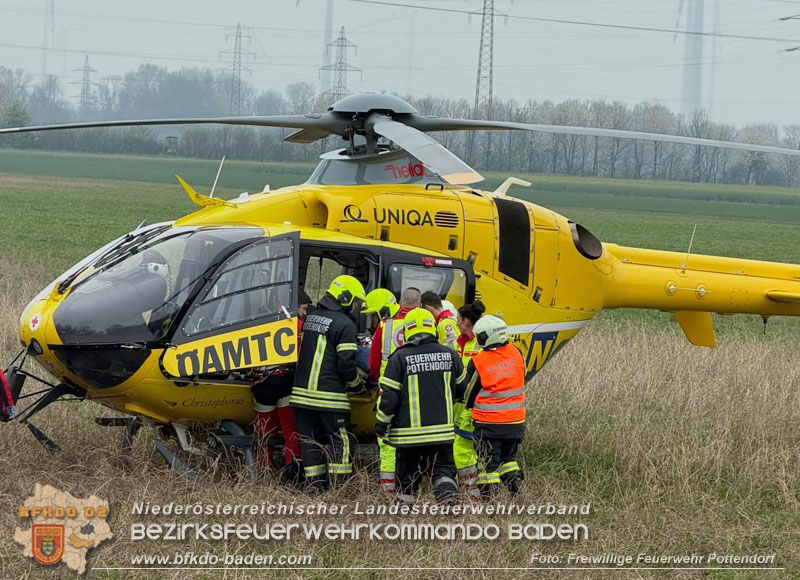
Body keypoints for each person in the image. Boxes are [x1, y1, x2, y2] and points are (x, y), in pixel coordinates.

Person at [375, 308, 466, 505]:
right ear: (432, 327)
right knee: (443, 470)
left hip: (408, 436)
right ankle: (448, 503)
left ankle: (405, 511)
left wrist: (381, 424)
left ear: (407, 330)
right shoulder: (449, 354)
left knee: (407, 475)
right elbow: (463, 390)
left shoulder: (399, 358)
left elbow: (389, 398)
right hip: (442, 433)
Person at [290, 275, 367, 489]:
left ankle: (314, 488)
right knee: (340, 442)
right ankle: (338, 489)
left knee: (310, 443)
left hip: (301, 397)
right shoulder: (345, 324)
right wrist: (357, 386)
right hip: (329, 398)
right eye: (355, 302)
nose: (356, 307)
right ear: (345, 298)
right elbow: (346, 364)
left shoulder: (310, 318)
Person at [252, 290, 313, 482]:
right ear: (295, 307)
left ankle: (263, 469)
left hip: (262, 383)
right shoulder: (298, 326)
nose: (305, 313)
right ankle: (293, 470)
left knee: (264, 430)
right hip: (286, 381)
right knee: (290, 429)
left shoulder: (262, 323)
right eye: (304, 308)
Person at [463, 315, 526, 496]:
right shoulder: (517, 352)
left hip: (489, 424)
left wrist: (465, 407)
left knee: (487, 464)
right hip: (516, 423)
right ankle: (516, 489)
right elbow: (521, 377)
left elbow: (468, 392)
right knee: (508, 459)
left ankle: (490, 501)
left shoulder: (479, 361)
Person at [367, 286, 420, 495]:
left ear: (401, 302)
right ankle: (412, 486)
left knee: (387, 444)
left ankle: (388, 490)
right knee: (414, 442)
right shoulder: (425, 325)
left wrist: (377, 381)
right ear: (419, 305)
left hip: (387, 392)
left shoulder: (385, 325)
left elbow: (373, 362)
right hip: (415, 394)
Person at [453, 299, 486, 498]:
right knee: (462, 447)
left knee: (465, 447)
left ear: (466, 321)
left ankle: (472, 489)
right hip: (458, 405)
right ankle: (468, 485)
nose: (456, 323)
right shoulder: (458, 342)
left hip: (474, 405)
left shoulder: (480, 343)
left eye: (458, 319)